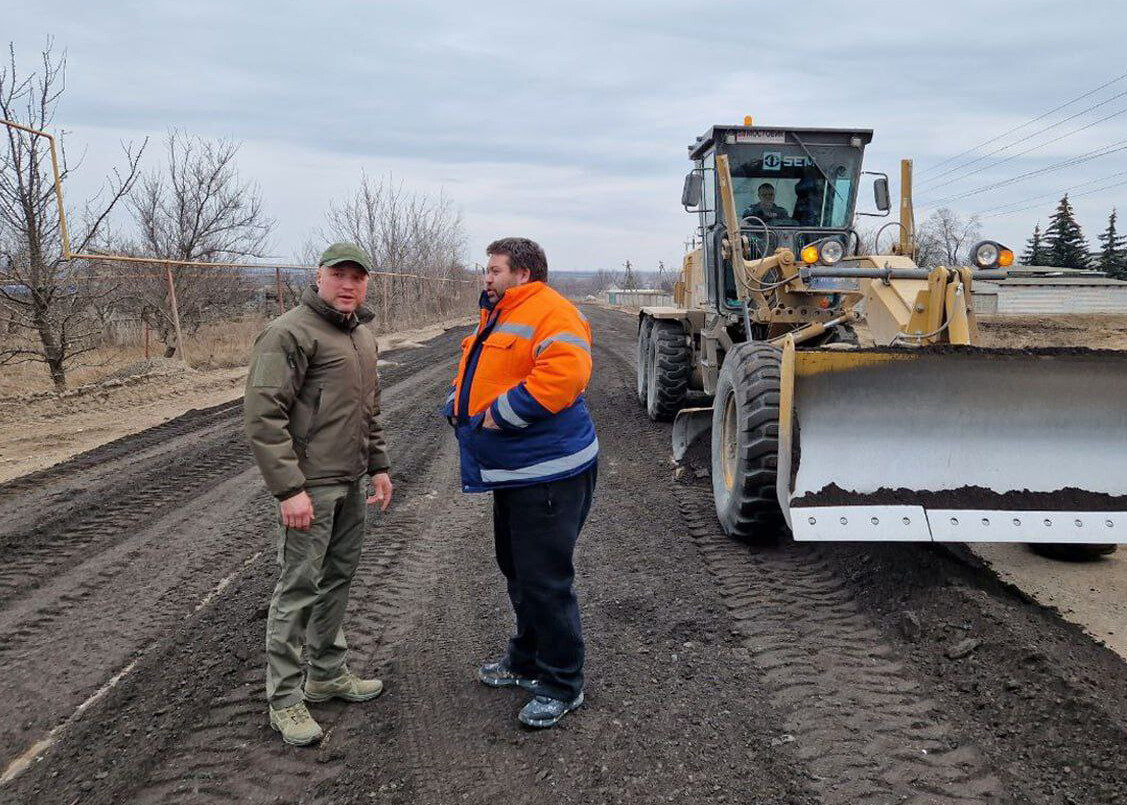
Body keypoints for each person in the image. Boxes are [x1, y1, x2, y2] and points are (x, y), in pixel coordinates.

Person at [443, 237, 597, 729]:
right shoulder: (501, 313)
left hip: (549, 474)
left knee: (545, 581)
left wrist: (501, 416)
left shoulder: (553, 312)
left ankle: (562, 683)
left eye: (494, 270)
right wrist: (458, 403)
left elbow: (566, 373)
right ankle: (526, 659)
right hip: (516, 474)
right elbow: (483, 367)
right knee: (517, 569)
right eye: (486, 270)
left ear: (523, 273)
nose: (486, 278)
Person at [244, 242, 394, 746]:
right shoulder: (288, 333)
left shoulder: (364, 338)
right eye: (339, 275)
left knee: (337, 579)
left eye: (358, 276)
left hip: (349, 483)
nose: (349, 284)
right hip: (309, 488)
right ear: (319, 277)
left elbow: (368, 410)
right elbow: (264, 418)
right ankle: (285, 699)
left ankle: (327, 673)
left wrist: (378, 466)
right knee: (297, 589)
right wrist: (289, 490)